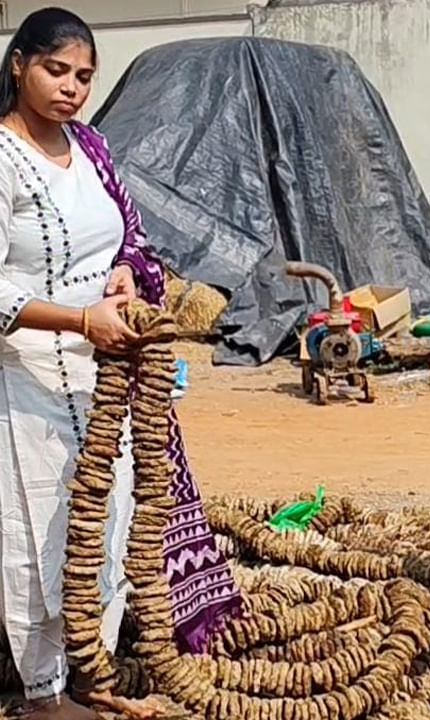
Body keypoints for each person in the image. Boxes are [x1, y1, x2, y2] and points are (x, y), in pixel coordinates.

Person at [0, 8, 242, 719]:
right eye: (55, 70)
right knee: (40, 534)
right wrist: (80, 319)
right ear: (19, 65)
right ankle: (43, 694)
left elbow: (128, 240)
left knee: (105, 529)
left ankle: (89, 674)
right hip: (26, 380)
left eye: (83, 76)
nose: (71, 88)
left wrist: (126, 279)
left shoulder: (92, 146)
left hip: (105, 378)